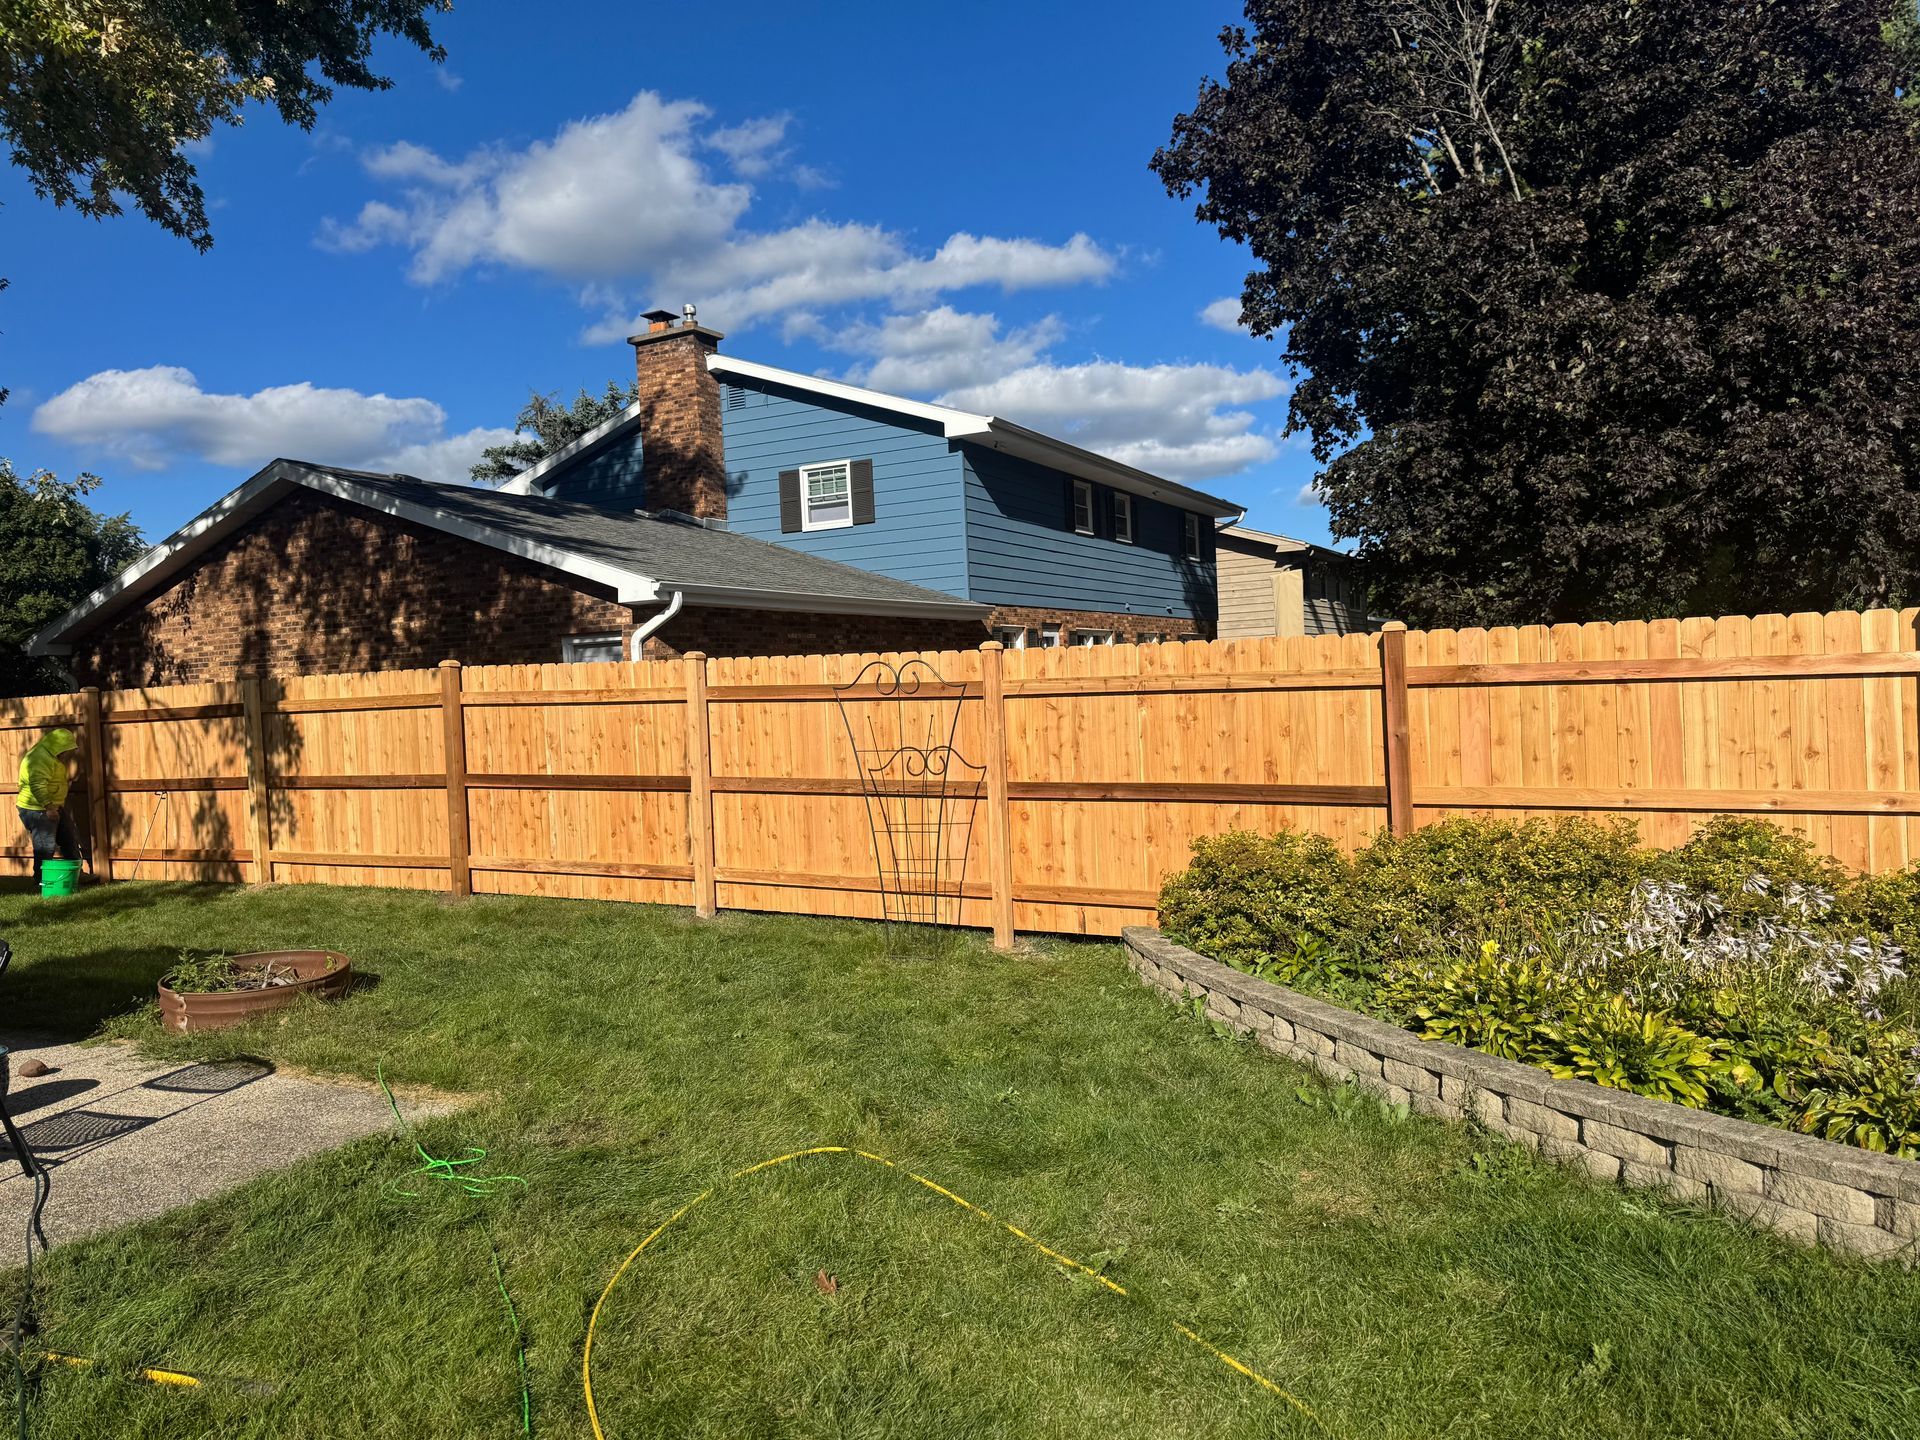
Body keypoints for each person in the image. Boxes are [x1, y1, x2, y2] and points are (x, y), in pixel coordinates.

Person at [17, 727, 79, 887]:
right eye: (68, 750)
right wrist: (49, 808)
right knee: (45, 846)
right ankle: (42, 881)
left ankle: (75, 875)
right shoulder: (39, 757)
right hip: (37, 808)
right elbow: (38, 785)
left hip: (53, 806)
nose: (70, 755)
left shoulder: (53, 758)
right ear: (59, 747)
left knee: (69, 838)